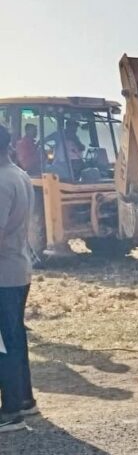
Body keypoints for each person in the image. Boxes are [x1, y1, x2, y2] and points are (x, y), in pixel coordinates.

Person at [0, 125, 37, 433]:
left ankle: (11, 410)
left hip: (3, 273)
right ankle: (24, 399)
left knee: (5, 343)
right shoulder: (19, 174)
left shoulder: (1, 182)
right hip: (19, 268)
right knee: (15, 337)